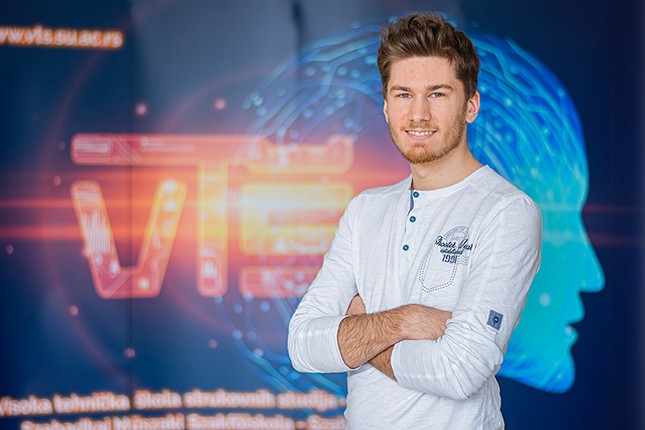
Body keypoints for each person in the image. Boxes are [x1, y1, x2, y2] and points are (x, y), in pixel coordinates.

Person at [288, 12, 542, 429]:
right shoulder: (365, 210)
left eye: (437, 94)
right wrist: (407, 320)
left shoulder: (507, 211)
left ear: (471, 106)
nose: (418, 114)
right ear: (387, 108)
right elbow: (302, 344)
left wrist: (357, 335)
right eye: (404, 94)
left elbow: (459, 370)